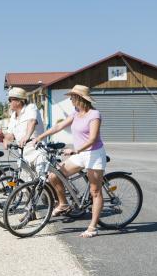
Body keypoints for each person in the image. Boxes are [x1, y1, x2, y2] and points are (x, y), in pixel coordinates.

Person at [30, 85, 106, 238]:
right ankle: (63, 203)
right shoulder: (76, 113)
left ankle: (92, 227)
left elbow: (92, 139)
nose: (70, 99)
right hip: (80, 154)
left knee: (95, 191)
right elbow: (59, 126)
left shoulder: (94, 115)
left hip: (94, 154)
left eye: (72, 97)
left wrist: (75, 150)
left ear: (80, 98)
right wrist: (40, 137)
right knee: (54, 176)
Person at [3, 87, 45, 173]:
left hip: (37, 152)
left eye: (10, 100)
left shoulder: (31, 108)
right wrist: (6, 140)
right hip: (23, 154)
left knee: (42, 181)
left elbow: (32, 121)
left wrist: (27, 136)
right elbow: (10, 134)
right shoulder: (13, 116)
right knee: (24, 183)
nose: (9, 102)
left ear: (19, 101)